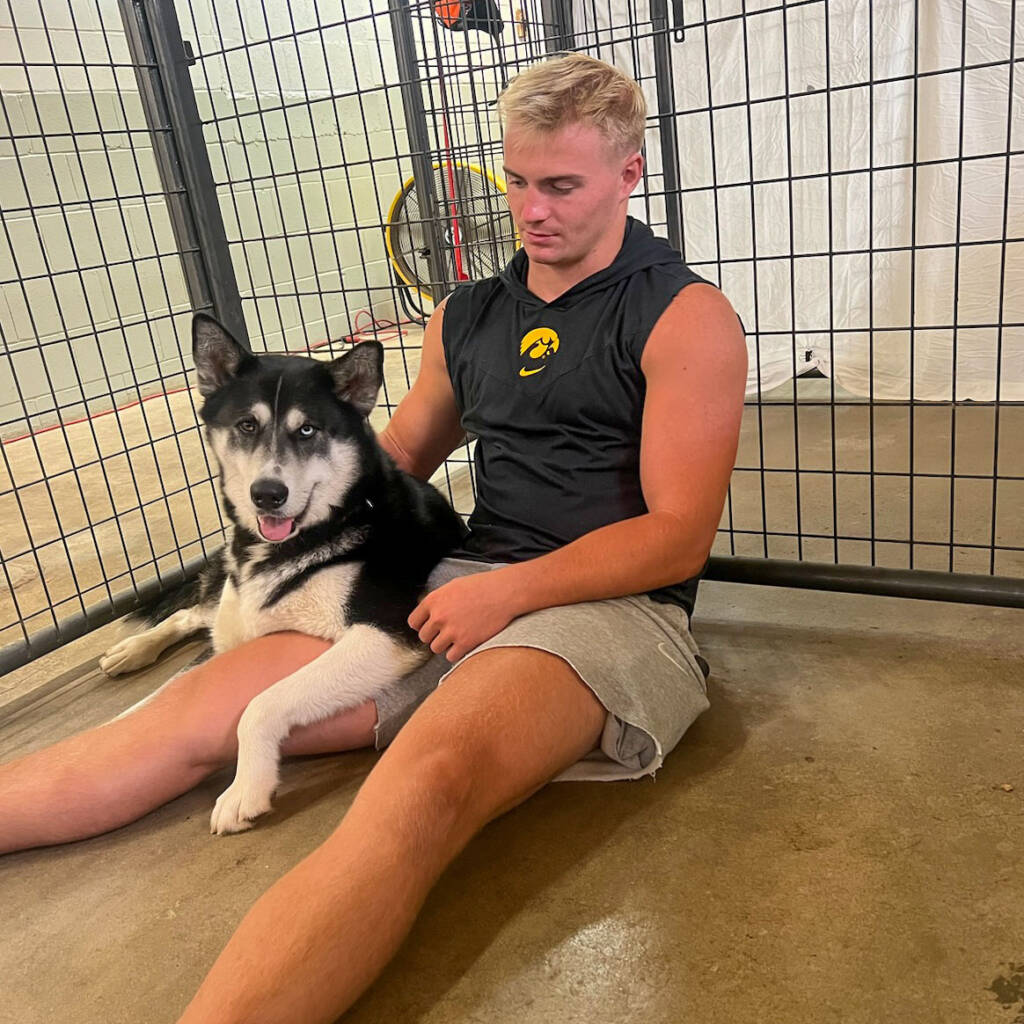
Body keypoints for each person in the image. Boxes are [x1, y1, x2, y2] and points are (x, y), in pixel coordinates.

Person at [0, 52, 747, 1023]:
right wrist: (291, 482)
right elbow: (393, 457)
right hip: (454, 584)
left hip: (605, 611)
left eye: (560, 184)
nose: (531, 209)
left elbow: (676, 540)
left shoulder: (685, 316)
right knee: (192, 713)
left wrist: (508, 593)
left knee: (420, 783)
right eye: (517, 180)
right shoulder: (468, 313)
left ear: (627, 173)